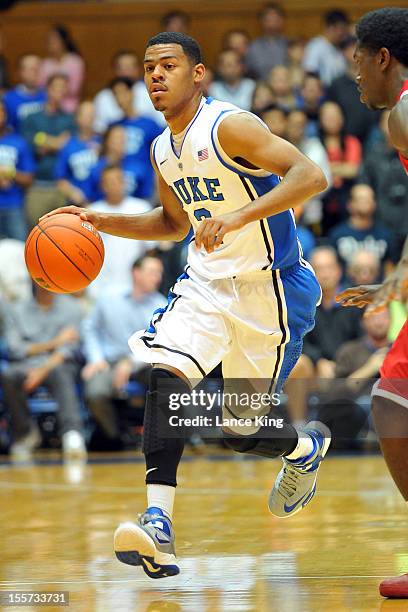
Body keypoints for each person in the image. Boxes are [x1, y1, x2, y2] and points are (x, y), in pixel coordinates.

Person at [42, 31, 330, 579]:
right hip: (205, 283)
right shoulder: (161, 148)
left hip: (269, 291)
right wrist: (104, 220)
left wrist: (241, 216)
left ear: (198, 74)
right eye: (148, 67)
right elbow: (175, 224)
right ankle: (159, 524)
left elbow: (310, 176)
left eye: (168, 65)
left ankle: (302, 447)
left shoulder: (230, 126)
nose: (155, 75)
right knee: (166, 370)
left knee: (239, 432)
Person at [335, 7, 408, 598]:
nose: (356, 75)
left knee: (391, 405)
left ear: (382, 57)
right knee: (392, 401)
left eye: (359, 61)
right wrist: (396, 279)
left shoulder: (403, 113)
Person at [81, 254, 166, 444]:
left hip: (144, 362)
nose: (158, 277)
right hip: (108, 362)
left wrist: (130, 362)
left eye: (160, 273)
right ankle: (115, 437)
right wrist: (96, 358)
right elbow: (90, 328)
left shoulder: (161, 305)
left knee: (166, 378)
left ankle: (161, 439)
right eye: (153, 272)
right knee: (94, 392)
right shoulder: (108, 297)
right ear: (136, 273)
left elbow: (160, 344)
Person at [1, 283, 86, 459]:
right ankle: (25, 434)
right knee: (9, 375)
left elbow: (70, 348)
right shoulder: (17, 310)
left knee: (62, 371)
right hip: (26, 365)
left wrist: (43, 369)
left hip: (58, 364)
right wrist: (55, 342)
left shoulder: (72, 309)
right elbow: (15, 348)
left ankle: (71, 433)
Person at [87, 165, 154, 298]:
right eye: (110, 181)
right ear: (102, 186)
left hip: (135, 288)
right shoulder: (91, 212)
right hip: (99, 287)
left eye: (118, 180)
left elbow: (150, 251)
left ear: (124, 182)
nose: (115, 185)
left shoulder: (141, 207)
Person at [21, 73, 75, 227]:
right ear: (47, 89)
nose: (60, 91)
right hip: (37, 185)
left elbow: (68, 146)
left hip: (62, 186)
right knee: (35, 232)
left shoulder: (69, 119)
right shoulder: (32, 118)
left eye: (63, 88)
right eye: (56, 87)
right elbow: (31, 145)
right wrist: (55, 142)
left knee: (63, 233)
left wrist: (44, 140)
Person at [110, 76, 162, 197]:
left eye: (122, 92)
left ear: (132, 93)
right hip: (118, 183)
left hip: (145, 183)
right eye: (115, 94)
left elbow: (161, 155)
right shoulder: (112, 127)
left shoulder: (149, 124)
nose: (119, 98)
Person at [329, 184, 396, 275]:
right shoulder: (337, 234)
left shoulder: (385, 234)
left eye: (369, 199)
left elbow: (390, 268)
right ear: (350, 204)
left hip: (378, 287)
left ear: (374, 204)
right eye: (361, 199)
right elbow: (333, 267)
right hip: (346, 287)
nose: (365, 202)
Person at [93, 50, 164, 133]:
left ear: (139, 69)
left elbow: (162, 125)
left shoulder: (154, 92)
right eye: (122, 67)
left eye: (130, 67)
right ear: (114, 70)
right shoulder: (103, 97)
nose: (126, 71)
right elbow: (99, 129)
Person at [0, 101, 35, 241]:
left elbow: (29, 178)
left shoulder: (18, 142)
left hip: (13, 205)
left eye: (1, 111)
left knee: (20, 249)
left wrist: (9, 173)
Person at [55, 100, 100, 206]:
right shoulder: (68, 145)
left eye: (92, 114)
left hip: (102, 203)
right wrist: (73, 193)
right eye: (85, 115)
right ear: (77, 118)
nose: (89, 118)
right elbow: (61, 180)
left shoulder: (103, 141)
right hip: (77, 204)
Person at [39, 24, 84, 113]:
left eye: (55, 40)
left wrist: (57, 92)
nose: (52, 43)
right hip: (48, 107)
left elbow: (74, 89)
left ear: (64, 41)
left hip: (70, 107)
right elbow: (41, 87)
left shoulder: (75, 61)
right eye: (49, 41)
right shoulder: (45, 63)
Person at [303, 10, 349, 87]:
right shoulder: (316, 46)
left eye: (344, 29)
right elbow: (310, 72)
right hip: (323, 93)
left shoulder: (341, 47)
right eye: (341, 28)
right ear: (330, 27)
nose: (343, 33)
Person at [3, 54, 47, 133]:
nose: (35, 72)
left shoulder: (48, 96)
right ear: (21, 72)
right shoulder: (8, 99)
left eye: (37, 68)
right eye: (31, 69)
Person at [245, 3, 288, 80]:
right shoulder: (252, 48)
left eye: (276, 20)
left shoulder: (290, 45)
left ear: (282, 21)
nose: (272, 24)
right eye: (268, 20)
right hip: (261, 89)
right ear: (261, 21)